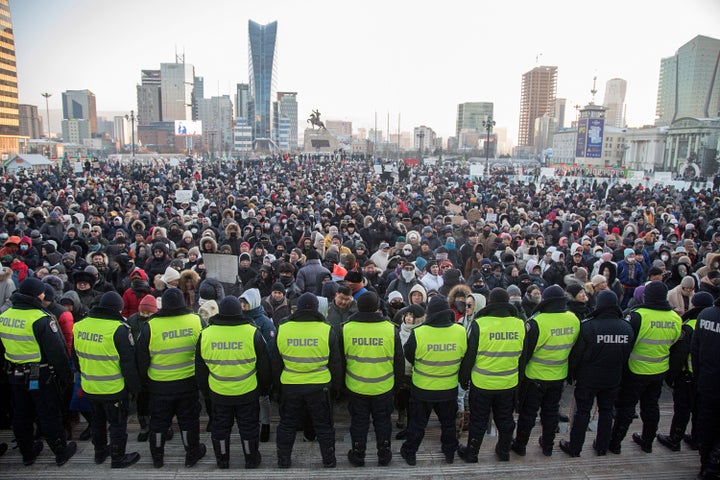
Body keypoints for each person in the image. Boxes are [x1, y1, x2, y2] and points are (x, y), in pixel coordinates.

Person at [0, 277, 77, 466]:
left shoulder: (5, 316)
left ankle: (27, 452)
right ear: (38, 295)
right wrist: (67, 377)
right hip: (39, 374)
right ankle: (60, 450)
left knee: (21, 413)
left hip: (13, 373)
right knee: (48, 413)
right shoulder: (41, 318)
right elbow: (57, 352)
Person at [195, 296, 272, 469]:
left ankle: (222, 460)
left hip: (219, 391)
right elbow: (264, 365)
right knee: (249, 427)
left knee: (220, 428)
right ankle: (251, 459)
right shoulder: (252, 332)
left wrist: (206, 392)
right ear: (240, 311)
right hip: (247, 390)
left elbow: (200, 368)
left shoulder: (206, 334)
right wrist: (264, 388)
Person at [136, 287, 207, 468]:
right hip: (188, 381)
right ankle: (192, 454)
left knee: (158, 422)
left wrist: (145, 383)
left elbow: (141, 358)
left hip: (159, 384)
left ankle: (157, 458)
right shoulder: (195, 320)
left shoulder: (150, 326)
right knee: (188, 421)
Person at [609, 280, 682, 454]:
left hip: (635, 369)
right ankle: (647, 441)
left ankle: (615, 443)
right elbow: (675, 343)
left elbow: (627, 341)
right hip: (659, 369)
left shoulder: (637, 315)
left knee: (626, 408)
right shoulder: (675, 318)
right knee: (651, 407)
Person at [559, 290, 634, 457]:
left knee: (583, 412)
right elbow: (626, 354)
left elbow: (577, 355)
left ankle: (575, 447)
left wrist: (572, 375)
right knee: (606, 411)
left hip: (588, 377)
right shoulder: (626, 327)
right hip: (613, 377)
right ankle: (602, 446)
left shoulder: (588, 326)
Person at [272, 292, 342, 468]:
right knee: (323, 425)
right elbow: (335, 362)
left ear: (297, 308)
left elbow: (275, 361)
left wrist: (277, 388)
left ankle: (283, 460)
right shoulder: (326, 329)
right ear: (317, 308)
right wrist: (336, 387)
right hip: (319, 385)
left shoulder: (284, 328)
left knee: (287, 425)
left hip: (290, 383)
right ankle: (329, 460)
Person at [72, 291, 142, 468]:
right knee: (117, 425)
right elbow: (128, 364)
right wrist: (136, 389)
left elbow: (75, 357)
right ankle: (118, 458)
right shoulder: (118, 329)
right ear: (118, 309)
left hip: (90, 385)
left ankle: (100, 452)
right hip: (113, 388)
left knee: (97, 421)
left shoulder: (80, 326)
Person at [458, 287, 525, 462]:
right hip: (508, 382)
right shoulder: (519, 323)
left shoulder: (480, 324)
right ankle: (503, 451)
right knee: (505, 419)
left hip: (483, 383)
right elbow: (523, 357)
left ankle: (472, 453)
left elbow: (470, 355)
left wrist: (463, 380)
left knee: (478, 420)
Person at [512, 284, 580, 456]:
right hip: (559, 374)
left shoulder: (536, 322)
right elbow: (575, 349)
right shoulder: (573, 319)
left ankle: (520, 445)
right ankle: (548, 446)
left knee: (528, 413)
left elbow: (526, 353)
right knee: (551, 412)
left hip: (535, 376)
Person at [400, 294, 468, 466]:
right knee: (448, 425)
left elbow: (409, 354)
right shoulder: (460, 331)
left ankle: (410, 453)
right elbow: (464, 356)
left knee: (417, 425)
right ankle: (450, 452)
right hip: (449, 387)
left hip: (423, 388)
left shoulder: (419, 332)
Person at [340, 292, 404, 467]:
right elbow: (398, 361)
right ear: (378, 308)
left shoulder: (346, 328)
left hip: (356, 385)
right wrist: (397, 386)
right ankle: (384, 454)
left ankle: (358, 454)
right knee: (383, 423)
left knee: (358, 423)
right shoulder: (391, 328)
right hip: (383, 386)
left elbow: (340, 360)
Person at [657, 291, 713, 452]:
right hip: (707, 375)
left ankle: (675, 438)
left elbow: (679, 355)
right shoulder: (711, 323)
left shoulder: (688, 327)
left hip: (687, 374)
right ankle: (697, 438)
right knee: (699, 409)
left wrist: (671, 377)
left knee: (682, 409)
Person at [691, 293, 720, 479]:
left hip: (706, 381)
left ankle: (704, 464)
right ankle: (713, 466)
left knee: (706, 423)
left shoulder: (705, 315)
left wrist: (699, 377)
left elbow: (696, 349)